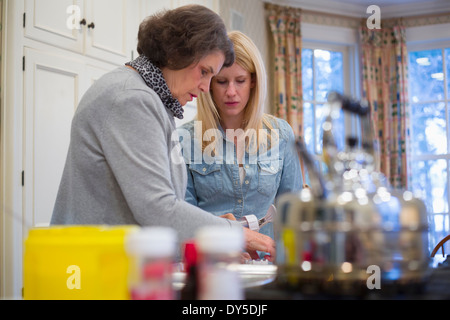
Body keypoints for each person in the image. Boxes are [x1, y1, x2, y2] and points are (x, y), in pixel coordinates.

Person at [51, 5, 275, 261]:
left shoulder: (152, 101)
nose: (205, 87)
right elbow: (157, 208)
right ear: (175, 54)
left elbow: (152, 212)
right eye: (204, 72)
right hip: (87, 270)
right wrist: (234, 233)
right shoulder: (132, 99)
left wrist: (208, 230)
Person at [178, 31, 303, 243]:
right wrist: (220, 232)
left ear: (253, 81)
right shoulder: (186, 139)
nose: (231, 92)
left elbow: (294, 214)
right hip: (211, 260)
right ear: (208, 83)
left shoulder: (281, 134)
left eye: (240, 80)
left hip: (267, 262)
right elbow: (183, 220)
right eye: (222, 82)